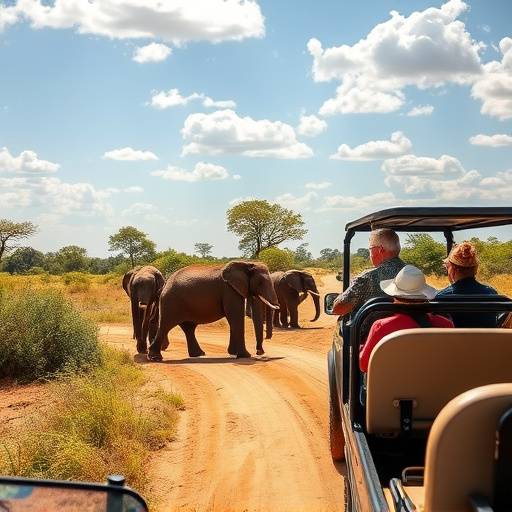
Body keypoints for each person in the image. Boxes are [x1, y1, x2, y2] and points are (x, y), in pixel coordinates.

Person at [360, 265, 454, 372]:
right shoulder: (445, 324)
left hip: (392, 387)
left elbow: (364, 364)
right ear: (424, 296)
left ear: (395, 297)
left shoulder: (382, 326)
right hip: (436, 387)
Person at [332, 228, 405, 321]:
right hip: (415, 329)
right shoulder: (414, 273)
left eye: (370, 249)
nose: (369, 254)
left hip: (374, 332)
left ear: (380, 249)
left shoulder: (368, 277)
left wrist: (338, 299)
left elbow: (339, 309)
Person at [435, 241, 498, 327]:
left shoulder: (442, 297)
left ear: (453, 269)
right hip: (489, 340)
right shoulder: (492, 293)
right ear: (475, 269)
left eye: (447, 267)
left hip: (456, 340)